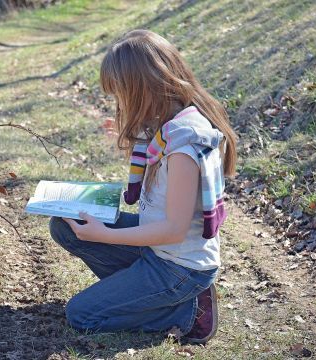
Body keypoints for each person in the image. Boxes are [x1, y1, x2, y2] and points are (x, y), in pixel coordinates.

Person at [49, 29, 237, 344]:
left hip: (179, 267)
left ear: (141, 90)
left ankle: (186, 310)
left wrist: (106, 236)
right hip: (158, 249)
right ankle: (142, 293)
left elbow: (174, 230)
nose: (117, 102)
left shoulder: (185, 144)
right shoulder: (169, 127)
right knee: (65, 226)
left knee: (81, 315)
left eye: (119, 93)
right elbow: (155, 157)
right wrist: (129, 134)